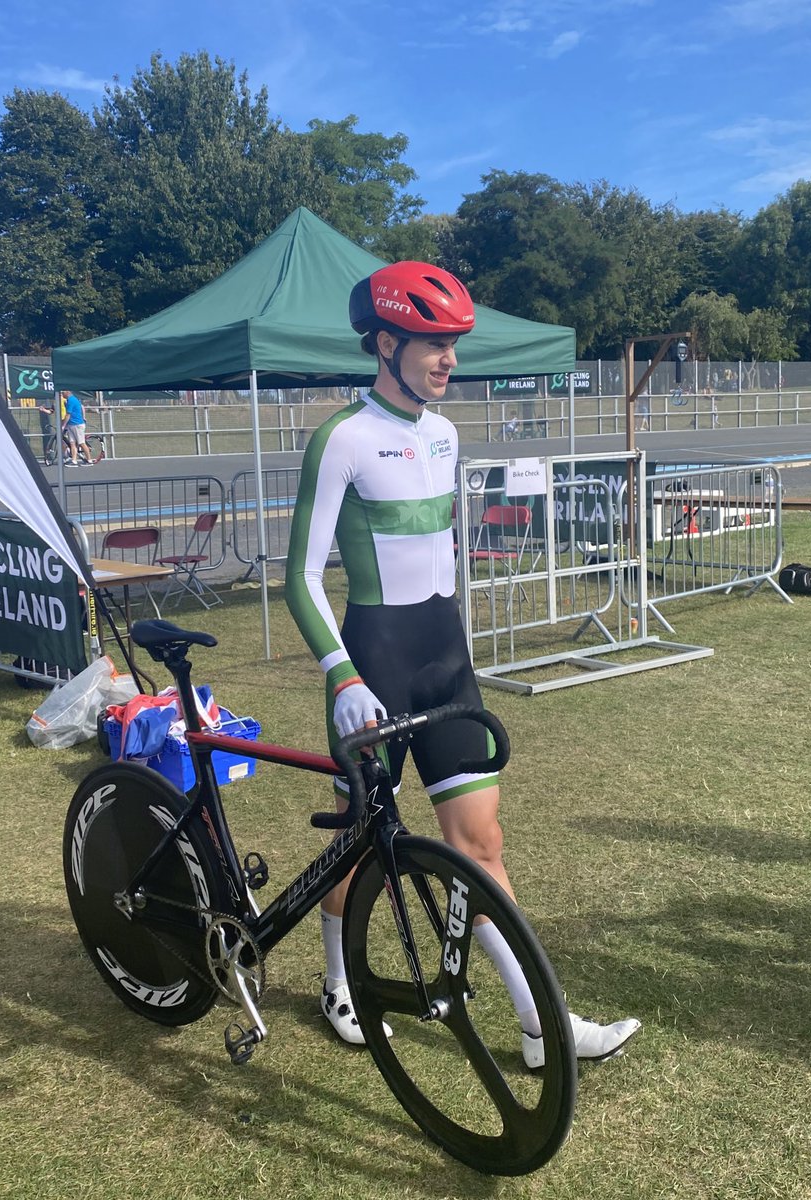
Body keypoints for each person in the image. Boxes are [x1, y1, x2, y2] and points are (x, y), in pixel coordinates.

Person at [285, 260, 640, 1066]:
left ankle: (541, 1027)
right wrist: (340, 675)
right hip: (372, 664)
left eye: (453, 345)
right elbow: (299, 578)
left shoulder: (444, 435)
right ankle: (338, 979)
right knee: (354, 841)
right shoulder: (341, 438)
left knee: (481, 845)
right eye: (433, 343)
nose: (450, 359)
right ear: (385, 342)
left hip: (445, 660)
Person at [61, 391, 93, 465]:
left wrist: (63, 425)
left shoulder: (71, 400)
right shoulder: (70, 400)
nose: (62, 394)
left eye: (63, 393)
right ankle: (74, 460)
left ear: (67, 392)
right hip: (71, 425)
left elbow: (68, 414)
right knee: (72, 443)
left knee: (81, 443)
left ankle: (89, 460)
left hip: (77, 424)